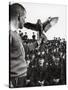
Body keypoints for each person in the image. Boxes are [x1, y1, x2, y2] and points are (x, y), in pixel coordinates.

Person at [9, 3, 27, 88]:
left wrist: (37, 42)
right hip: (14, 81)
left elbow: (21, 50)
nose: (25, 21)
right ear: (19, 16)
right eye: (24, 18)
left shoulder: (15, 33)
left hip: (20, 78)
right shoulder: (9, 34)